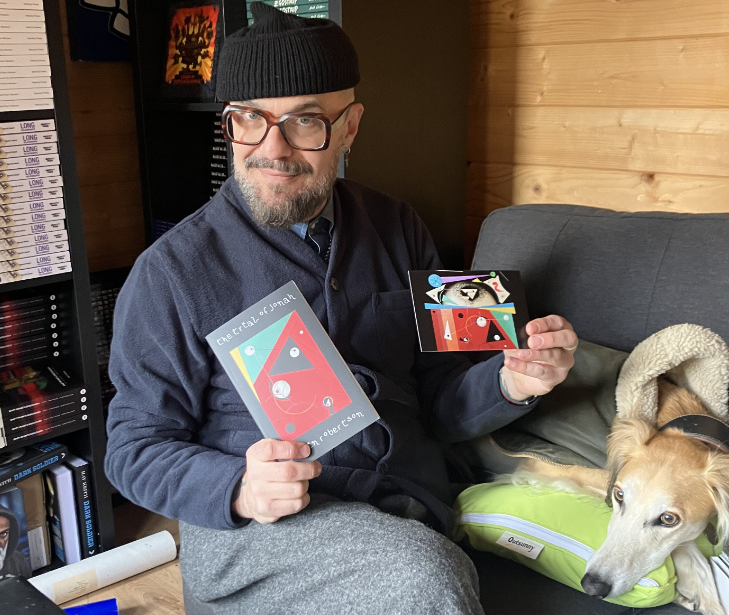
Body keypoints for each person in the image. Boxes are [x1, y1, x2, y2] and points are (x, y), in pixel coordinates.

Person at [105, 3, 578, 613]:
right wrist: (239, 487)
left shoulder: (398, 226)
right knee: (421, 576)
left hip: (405, 504)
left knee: (420, 565)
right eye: (250, 119)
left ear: (350, 126)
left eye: (304, 122)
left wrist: (511, 384)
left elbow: (437, 398)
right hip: (260, 532)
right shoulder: (171, 271)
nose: (273, 149)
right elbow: (133, 449)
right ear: (229, 123)